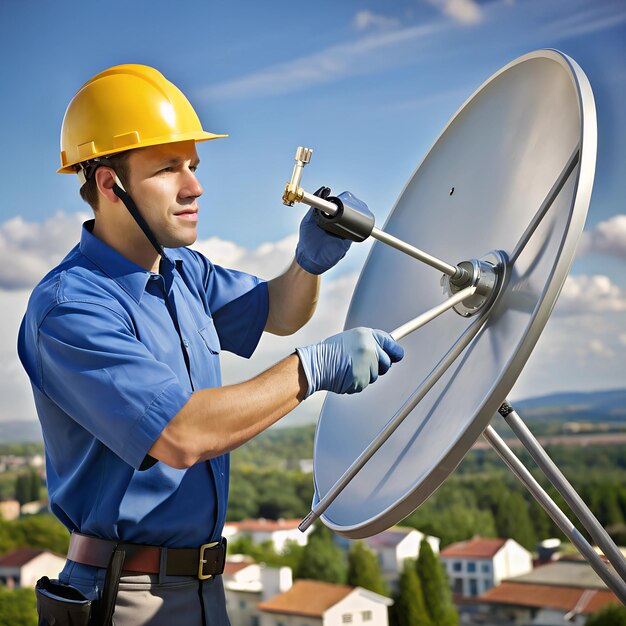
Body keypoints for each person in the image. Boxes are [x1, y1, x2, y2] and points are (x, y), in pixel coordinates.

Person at [18, 64, 404, 626]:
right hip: (125, 593)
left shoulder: (183, 271)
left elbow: (281, 310)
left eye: (194, 165)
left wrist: (309, 261)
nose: (195, 186)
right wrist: (313, 369)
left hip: (203, 589)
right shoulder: (70, 307)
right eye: (169, 167)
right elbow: (181, 432)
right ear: (109, 183)